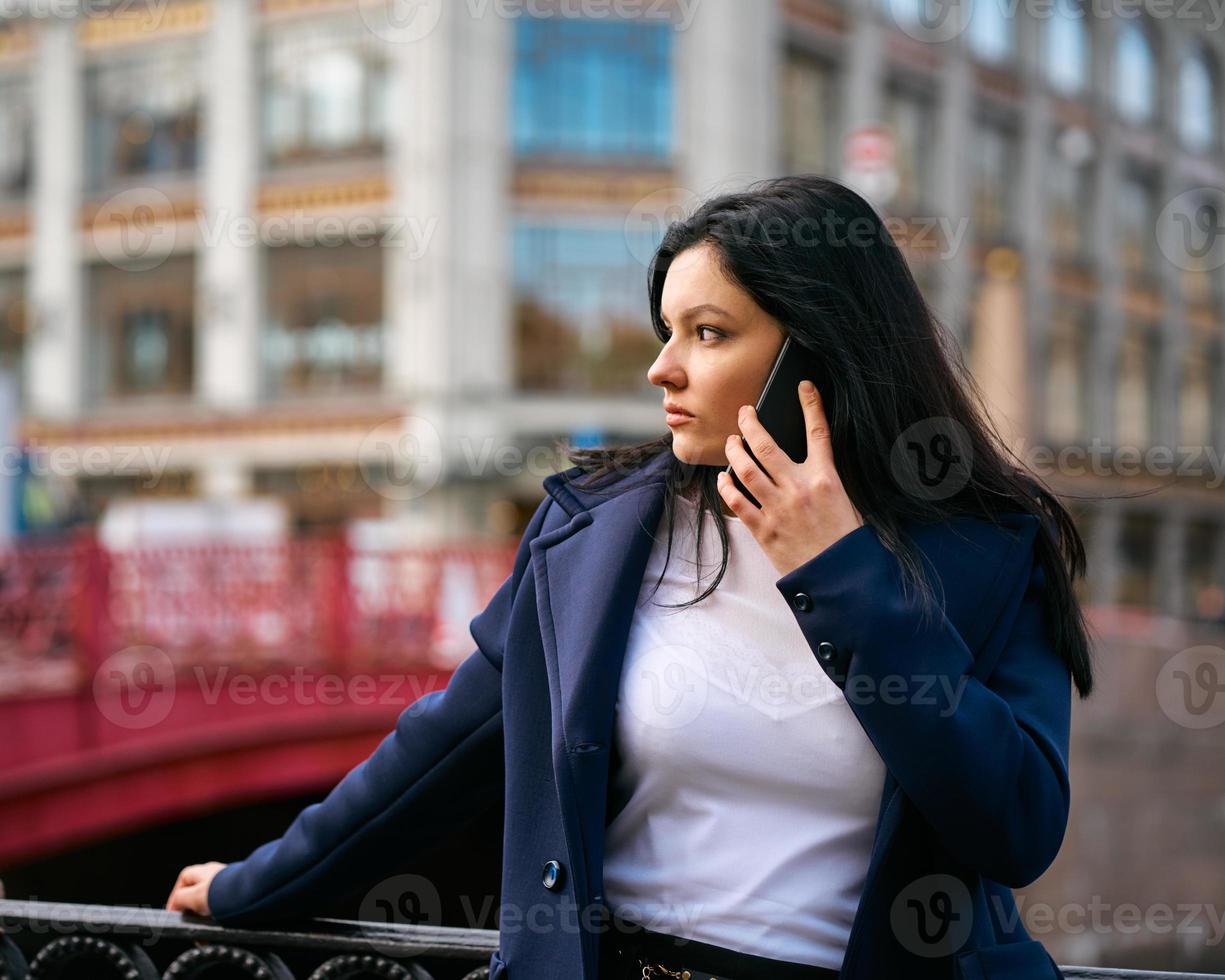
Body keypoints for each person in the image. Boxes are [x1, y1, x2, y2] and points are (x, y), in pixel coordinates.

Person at [167, 175, 1097, 979]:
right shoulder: (596, 534)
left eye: (707, 332)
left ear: (819, 352)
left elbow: (1013, 827)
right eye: (667, 332)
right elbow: (439, 754)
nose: (662, 369)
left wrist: (841, 571)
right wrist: (258, 883)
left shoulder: (991, 550)